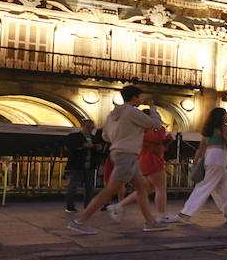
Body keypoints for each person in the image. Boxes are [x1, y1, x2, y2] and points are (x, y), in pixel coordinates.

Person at [67, 86, 167, 233]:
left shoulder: (112, 114)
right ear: (134, 98)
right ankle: (79, 221)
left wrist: (121, 136)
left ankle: (150, 222)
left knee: (141, 189)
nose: (140, 100)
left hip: (121, 152)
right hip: (127, 153)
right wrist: (152, 108)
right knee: (110, 191)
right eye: (138, 97)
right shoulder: (132, 112)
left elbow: (105, 136)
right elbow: (155, 124)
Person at [176, 106, 227, 222]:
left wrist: (195, 162)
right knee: (205, 186)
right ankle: (185, 213)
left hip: (209, 156)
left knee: (224, 186)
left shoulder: (208, 130)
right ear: (221, 116)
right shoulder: (223, 128)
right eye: (226, 114)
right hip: (218, 157)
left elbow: (200, 148)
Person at [111, 119, 176, 223]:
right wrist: (161, 127)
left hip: (143, 161)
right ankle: (162, 214)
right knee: (161, 188)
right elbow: (157, 137)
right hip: (152, 161)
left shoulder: (137, 131)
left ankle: (119, 206)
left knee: (145, 190)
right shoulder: (145, 131)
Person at [63, 118, 102, 212]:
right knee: (73, 186)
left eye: (92, 128)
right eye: (88, 127)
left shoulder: (94, 138)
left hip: (90, 165)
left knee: (90, 187)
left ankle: (88, 206)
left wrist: (98, 148)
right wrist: (82, 146)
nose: (90, 129)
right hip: (77, 165)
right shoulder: (74, 136)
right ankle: (70, 206)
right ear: (83, 126)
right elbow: (69, 147)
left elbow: (98, 151)